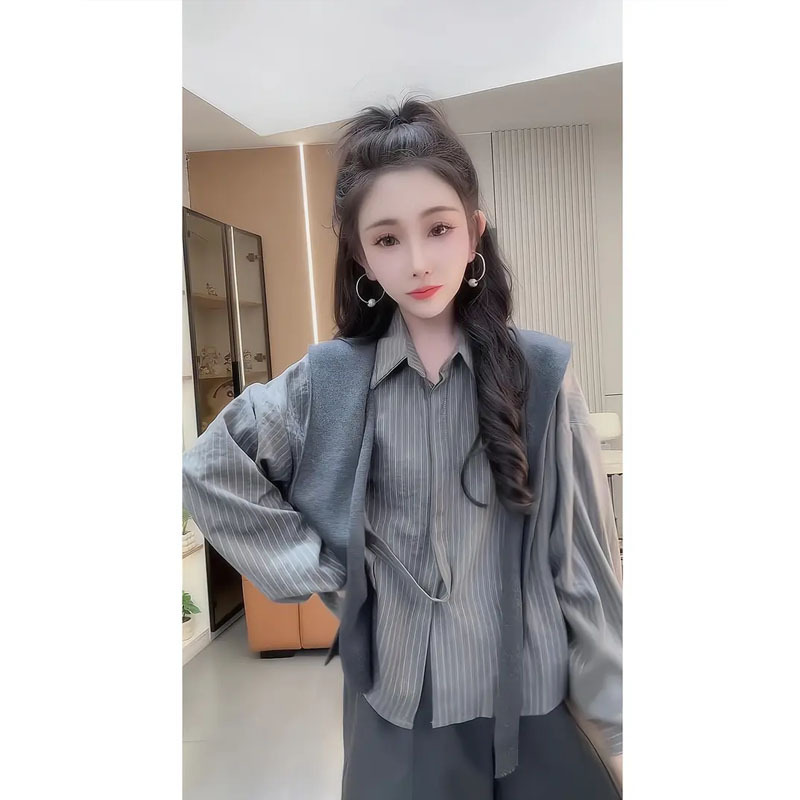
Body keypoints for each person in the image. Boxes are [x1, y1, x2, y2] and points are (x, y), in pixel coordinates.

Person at [182, 96, 623, 799]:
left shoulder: (540, 372)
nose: (418, 261)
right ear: (361, 256)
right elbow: (210, 468)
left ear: (474, 233)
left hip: (531, 701)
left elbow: (585, 571)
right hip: (399, 708)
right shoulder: (329, 381)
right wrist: (323, 571)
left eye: (439, 228)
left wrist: (622, 728)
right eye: (387, 239)